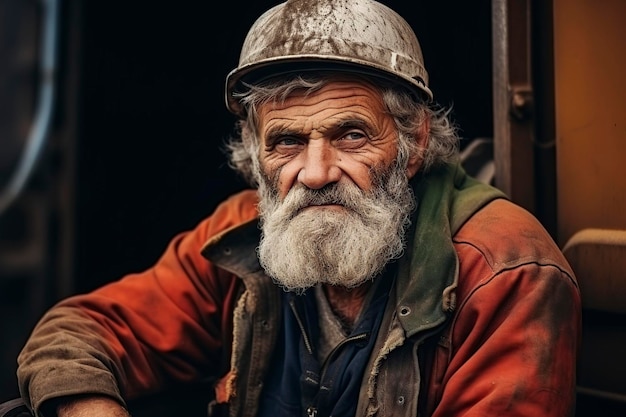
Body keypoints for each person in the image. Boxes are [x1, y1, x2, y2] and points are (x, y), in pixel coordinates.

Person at [12, 0, 581, 416]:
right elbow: (80, 331)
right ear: (256, 156)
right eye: (286, 141)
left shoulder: (506, 270)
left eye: (352, 135)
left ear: (411, 144)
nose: (314, 172)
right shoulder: (237, 235)